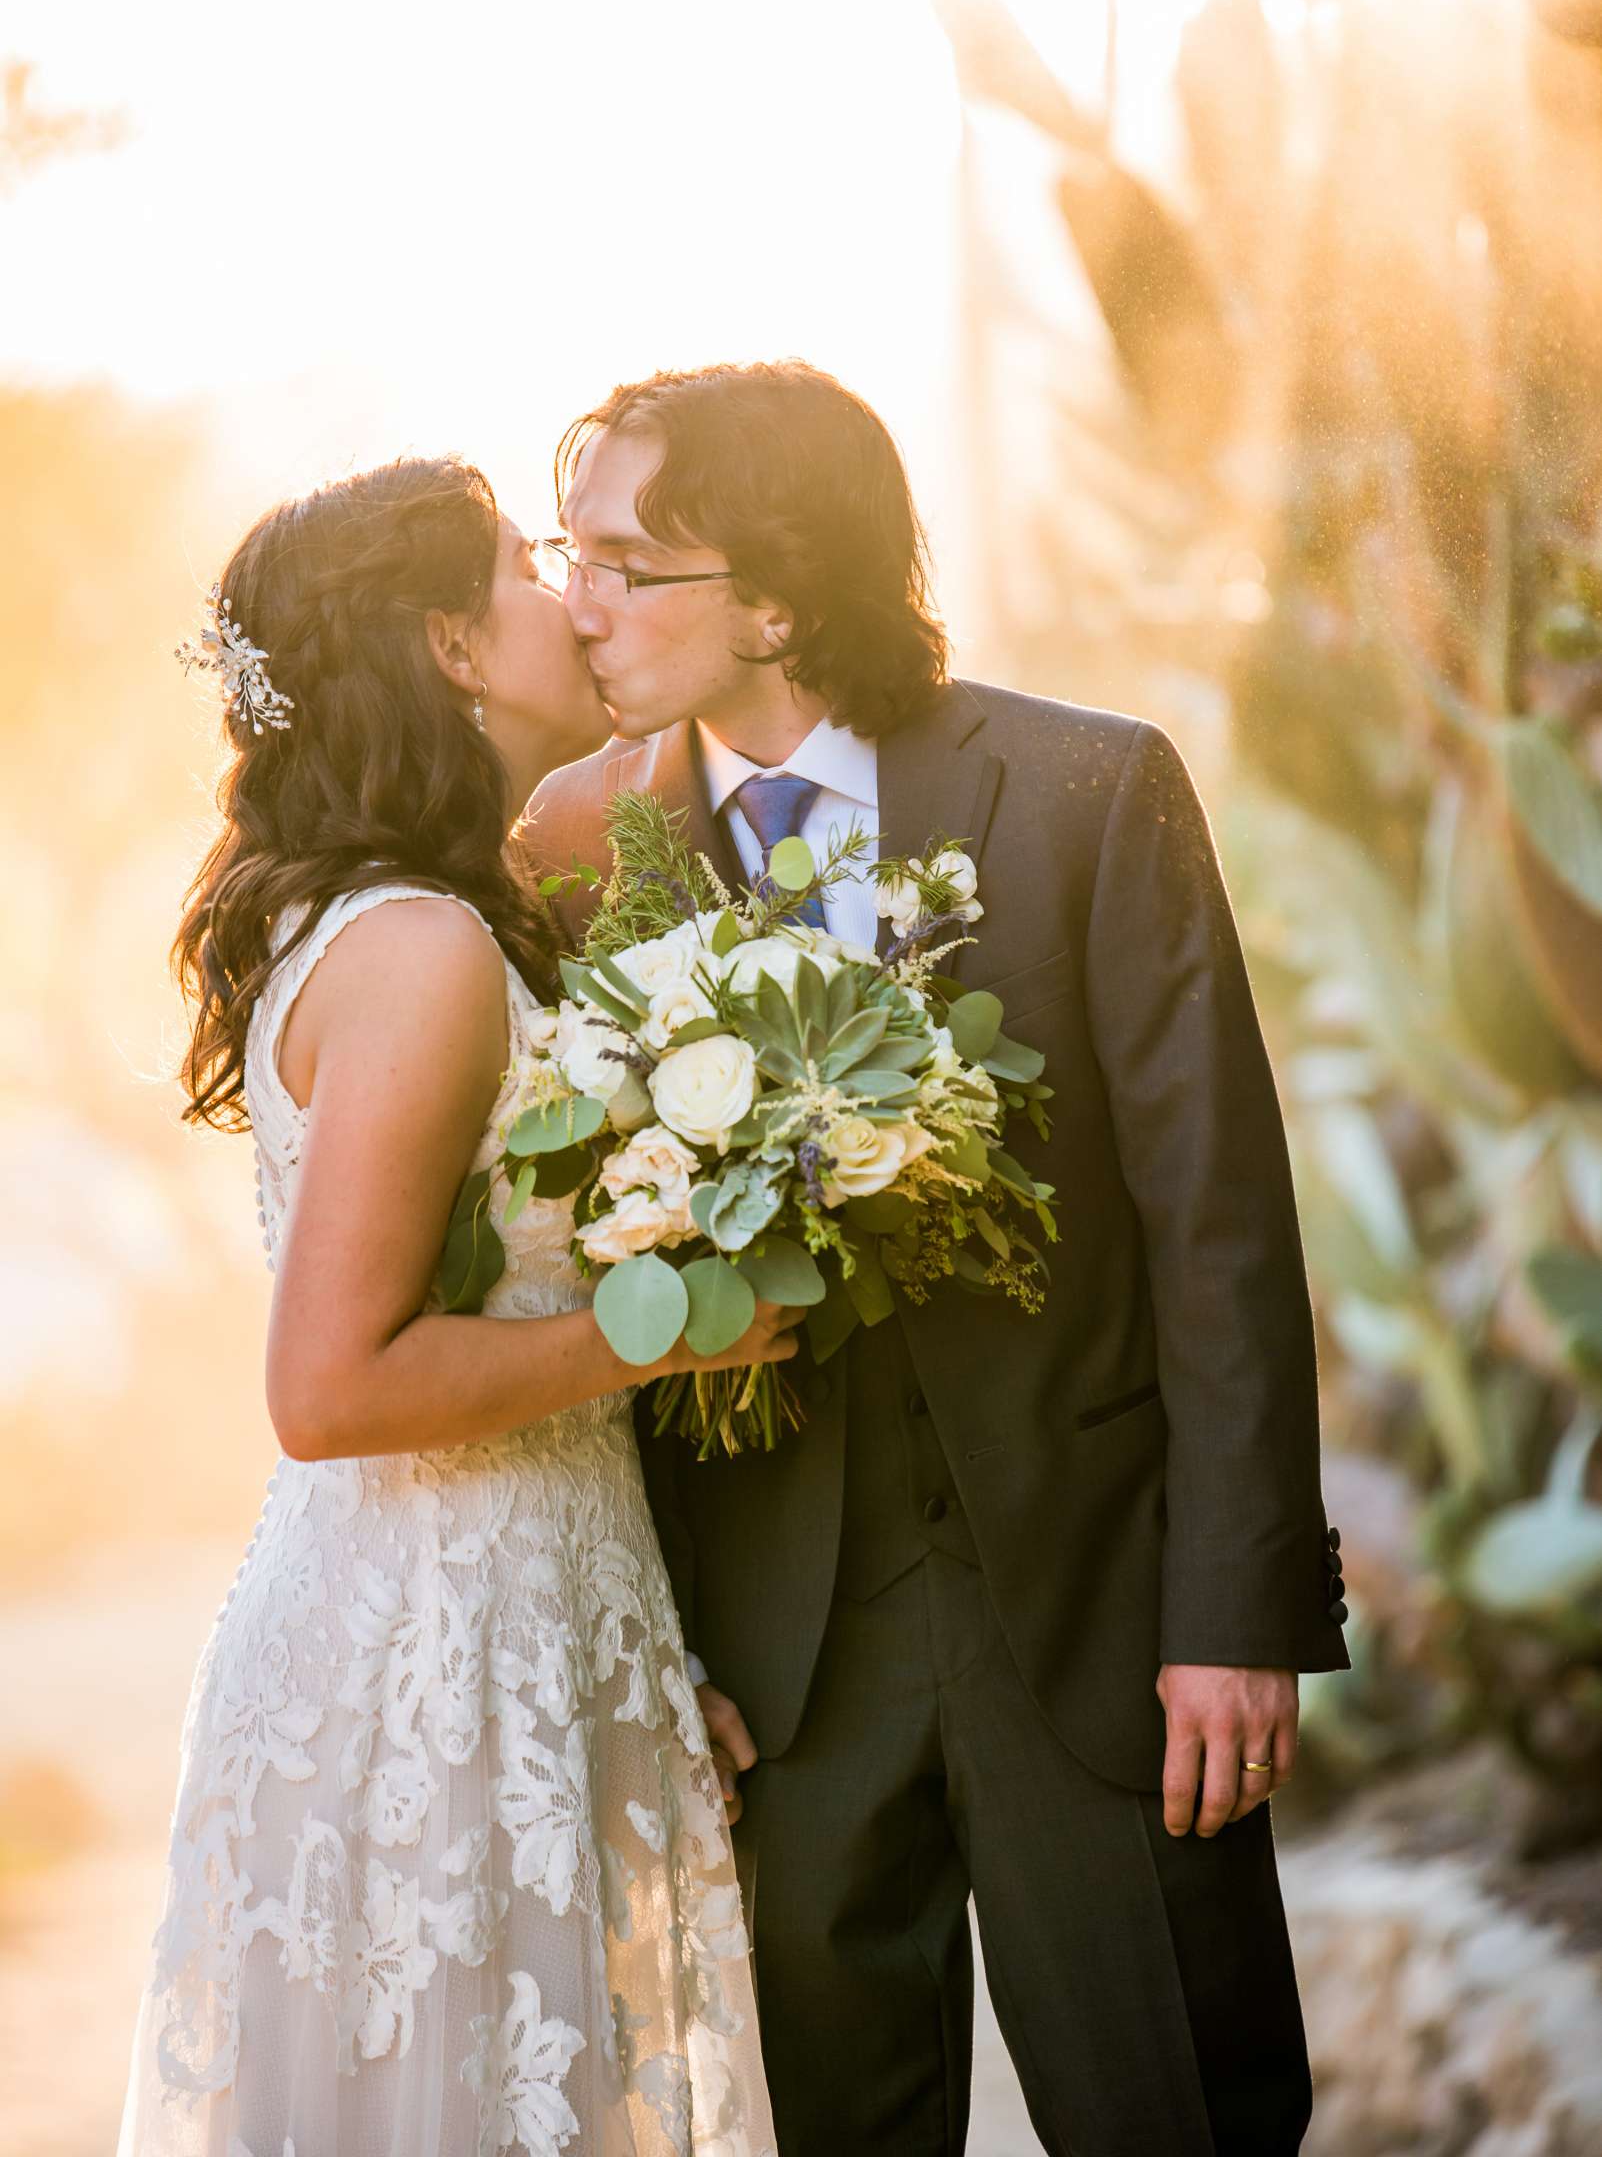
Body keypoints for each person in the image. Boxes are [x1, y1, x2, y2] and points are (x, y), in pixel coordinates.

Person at [528, 363, 1352, 2157]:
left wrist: (1234, 1614)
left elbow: (1219, 1226)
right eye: (561, 549)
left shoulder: (1082, 788)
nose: (570, 600)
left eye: (619, 562)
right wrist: (668, 1649)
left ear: (773, 592)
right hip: (783, 1667)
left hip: (1108, 1629)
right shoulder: (577, 862)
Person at [118, 455, 786, 2157]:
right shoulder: (415, 947)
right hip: (433, 1654)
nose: (576, 597)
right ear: (452, 649)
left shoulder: (438, 919)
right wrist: (676, 1324)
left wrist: (646, 1647)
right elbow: (329, 1386)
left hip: (517, 1621)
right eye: (524, 566)